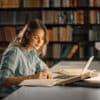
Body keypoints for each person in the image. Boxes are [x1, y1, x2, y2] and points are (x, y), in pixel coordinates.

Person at [0, 19, 52, 98]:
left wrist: (46, 73)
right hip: (11, 96)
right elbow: (3, 80)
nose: (39, 42)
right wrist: (32, 78)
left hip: (25, 94)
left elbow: (44, 67)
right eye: (36, 37)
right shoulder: (14, 51)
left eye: (42, 39)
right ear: (27, 35)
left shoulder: (32, 53)